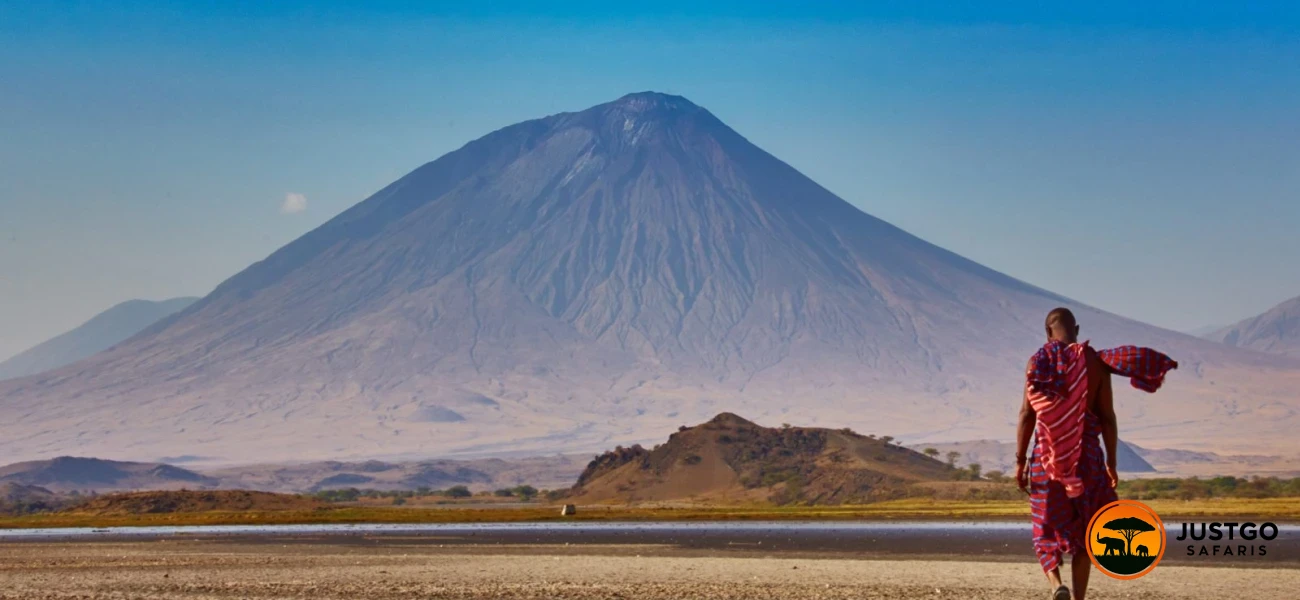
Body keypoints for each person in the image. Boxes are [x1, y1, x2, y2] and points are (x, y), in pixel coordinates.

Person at [1015, 308, 1177, 600]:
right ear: (1076, 329)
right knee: (1089, 530)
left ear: (1048, 333)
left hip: (1046, 458)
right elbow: (1107, 417)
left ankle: (1056, 585)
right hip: (1086, 460)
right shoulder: (1094, 362)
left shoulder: (1037, 363)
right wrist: (1112, 463)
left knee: (1043, 525)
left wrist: (1020, 462)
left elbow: (1027, 415)